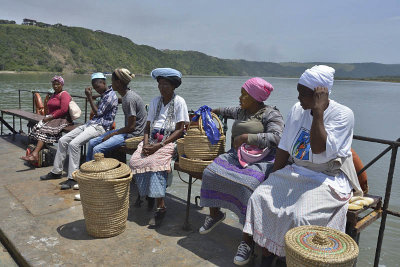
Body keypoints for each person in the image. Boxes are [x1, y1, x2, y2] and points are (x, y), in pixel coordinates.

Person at [242, 65, 363, 266]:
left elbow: (317, 149)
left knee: (299, 216)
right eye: (298, 92)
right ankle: (269, 251)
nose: (298, 98)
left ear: (319, 95)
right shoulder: (297, 110)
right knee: (259, 198)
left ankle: (292, 257)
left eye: (303, 94)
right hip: (296, 171)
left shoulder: (343, 114)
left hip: (326, 178)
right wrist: (273, 177)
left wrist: (318, 112)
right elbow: (284, 147)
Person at [197, 78, 285, 265]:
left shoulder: (271, 114)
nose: (240, 97)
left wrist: (248, 137)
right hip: (237, 155)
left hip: (262, 159)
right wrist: (209, 111)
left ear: (255, 98)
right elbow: (224, 110)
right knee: (210, 172)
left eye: (244, 95)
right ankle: (215, 214)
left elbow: (278, 137)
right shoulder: (241, 111)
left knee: (249, 186)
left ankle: (247, 241)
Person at [129, 68, 189, 227]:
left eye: (166, 85)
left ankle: (161, 207)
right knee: (135, 161)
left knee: (156, 163)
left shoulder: (179, 102)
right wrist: (146, 143)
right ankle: (148, 194)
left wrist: (159, 146)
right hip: (153, 138)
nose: (162, 87)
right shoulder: (156, 101)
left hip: (169, 140)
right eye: (160, 84)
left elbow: (180, 129)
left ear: (174, 86)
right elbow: (147, 126)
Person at [40, 73, 118, 190]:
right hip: (90, 124)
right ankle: (56, 171)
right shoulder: (104, 94)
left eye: (98, 87)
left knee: (74, 144)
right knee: (63, 140)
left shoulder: (111, 96)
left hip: (100, 127)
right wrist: (94, 96)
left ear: (104, 83)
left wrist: (90, 97)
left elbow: (97, 112)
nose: (97, 89)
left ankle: (73, 177)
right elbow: (101, 101)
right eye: (95, 88)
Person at [86, 68, 147, 161]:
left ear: (118, 82)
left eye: (112, 81)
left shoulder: (129, 99)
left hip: (133, 135)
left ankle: (94, 173)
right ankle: (87, 169)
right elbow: (118, 99)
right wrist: (98, 96)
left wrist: (112, 134)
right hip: (127, 131)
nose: (111, 84)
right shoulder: (126, 96)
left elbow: (131, 127)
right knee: (91, 142)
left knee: (97, 148)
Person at [20, 76, 72, 163]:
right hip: (52, 117)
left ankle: (35, 154)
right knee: (36, 128)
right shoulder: (54, 95)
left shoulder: (64, 94)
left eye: (58, 84)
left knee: (45, 130)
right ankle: (39, 151)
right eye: (54, 84)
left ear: (62, 85)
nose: (55, 86)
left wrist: (51, 117)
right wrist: (48, 117)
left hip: (63, 118)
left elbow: (63, 110)